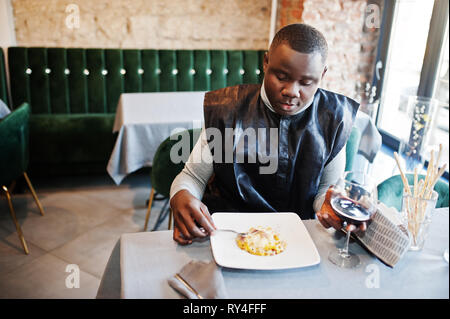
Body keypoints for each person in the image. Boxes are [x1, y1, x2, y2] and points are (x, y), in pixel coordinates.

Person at [169, 23, 361, 245]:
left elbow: (324, 194)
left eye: (307, 82)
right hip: (229, 236)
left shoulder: (334, 118)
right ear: (266, 61)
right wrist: (181, 195)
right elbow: (193, 177)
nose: (291, 91)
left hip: (296, 240)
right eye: (281, 76)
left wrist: (331, 209)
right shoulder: (226, 109)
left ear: (323, 74)